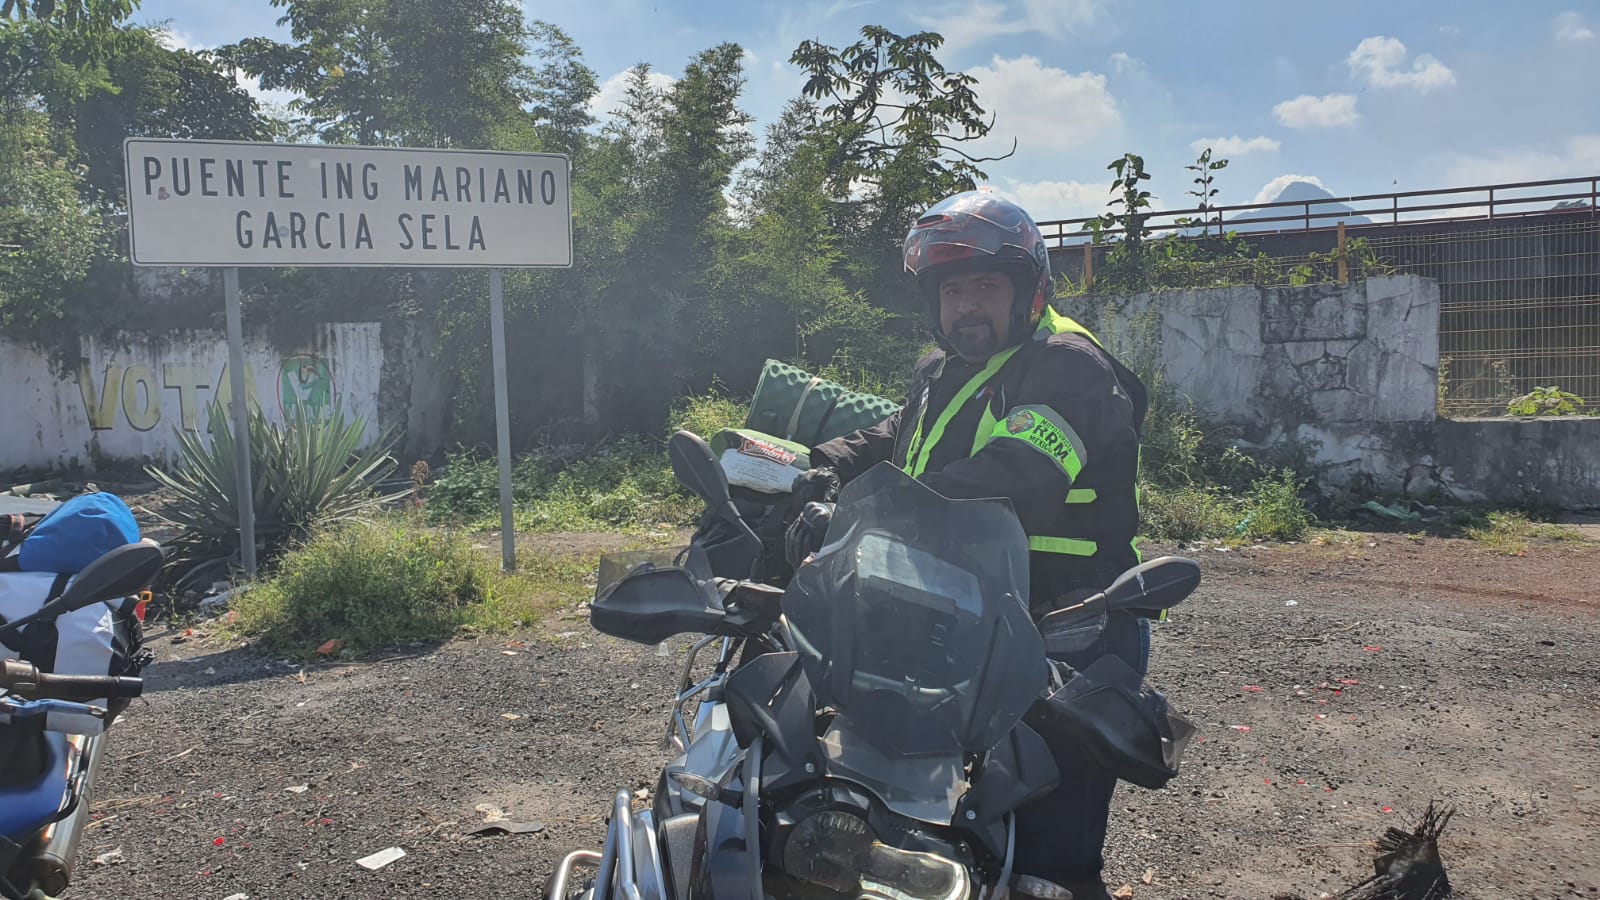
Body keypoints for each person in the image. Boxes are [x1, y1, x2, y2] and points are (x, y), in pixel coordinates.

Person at [784, 189, 1152, 900]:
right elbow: (892, 437)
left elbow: (1015, 476)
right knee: (899, 801)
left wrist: (863, 515)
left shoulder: (1070, 368)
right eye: (953, 291)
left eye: (986, 287)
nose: (968, 307)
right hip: (963, 609)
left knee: (1045, 860)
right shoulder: (938, 370)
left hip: (1067, 620)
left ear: (1029, 290)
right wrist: (821, 469)